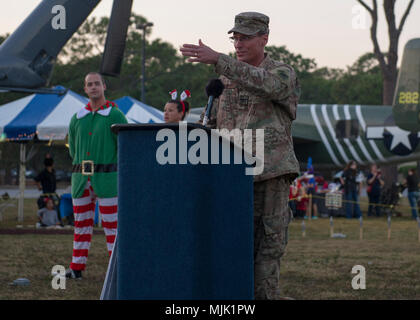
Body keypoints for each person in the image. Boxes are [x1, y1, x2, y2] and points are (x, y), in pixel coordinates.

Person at [180, 12, 301, 299]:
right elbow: (213, 124)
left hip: (270, 174)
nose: (239, 43)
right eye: (235, 38)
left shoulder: (282, 73)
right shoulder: (226, 78)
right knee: (231, 246)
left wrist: (220, 59)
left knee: (267, 249)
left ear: (264, 39)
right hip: (231, 177)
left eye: (245, 38)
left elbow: (266, 85)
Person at [66, 72, 128, 279]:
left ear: (104, 87)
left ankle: (116, 270)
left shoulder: (115, 115)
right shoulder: (76, 118)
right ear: (85, 89)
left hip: (108, 179)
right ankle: (76, 268)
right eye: (89, 84)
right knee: (81, 225)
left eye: (97, 84)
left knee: (113, 227)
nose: (93, 87)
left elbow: (124, 147)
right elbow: (73, 150)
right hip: (80, 180)